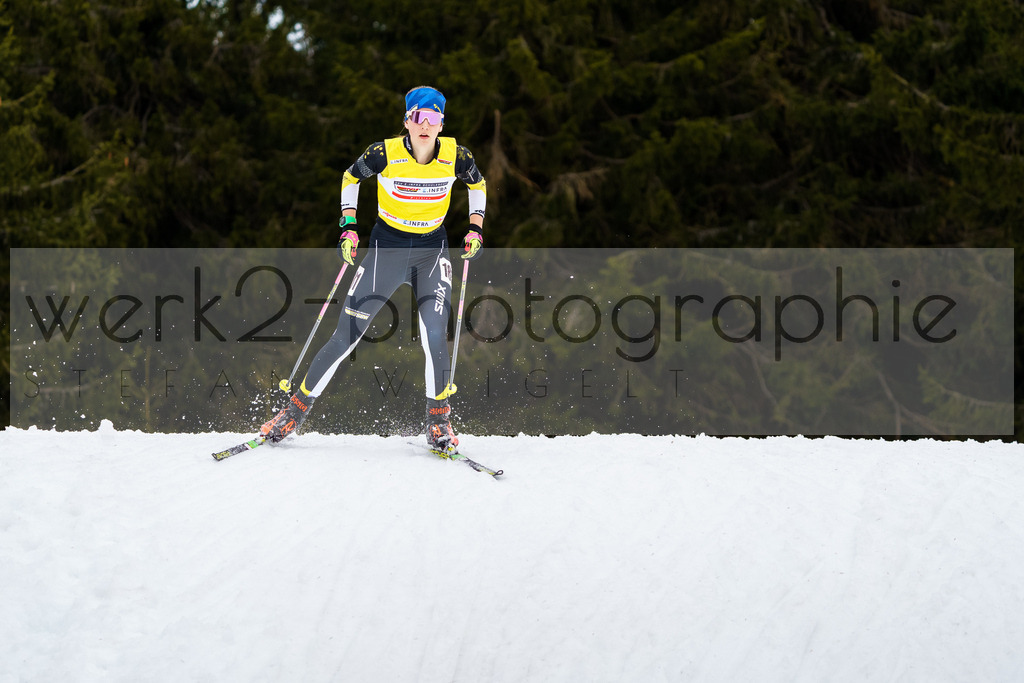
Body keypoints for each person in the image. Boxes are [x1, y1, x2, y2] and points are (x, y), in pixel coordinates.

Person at [259, 85, 486, 455]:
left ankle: (439, 423)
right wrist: (348, 226)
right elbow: (351, 178)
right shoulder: (383, 153)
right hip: (387, 251)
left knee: (434, 335)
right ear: (407, 121)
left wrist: (475, 227)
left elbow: (478, 185)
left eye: (432, 118)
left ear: (441, 123)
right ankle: (292, 414)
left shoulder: (457, 156)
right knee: (345, 335)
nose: (425, 125)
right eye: (417, 117)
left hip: (432, 253)